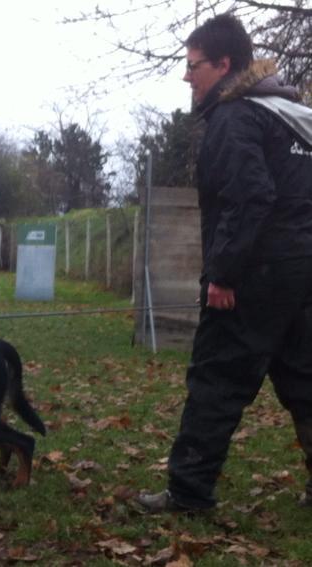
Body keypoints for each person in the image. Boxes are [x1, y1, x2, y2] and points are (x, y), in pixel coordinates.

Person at [137, 13, 312, 512]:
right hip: (301, 273)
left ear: (225, 64)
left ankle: (188, 492)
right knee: (305, 380)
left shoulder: (236, 119)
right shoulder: (291, 119)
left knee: (216, 378)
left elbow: (251, 198)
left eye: (194, 66)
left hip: (253, 276)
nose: (187, 77)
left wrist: (223, 274)